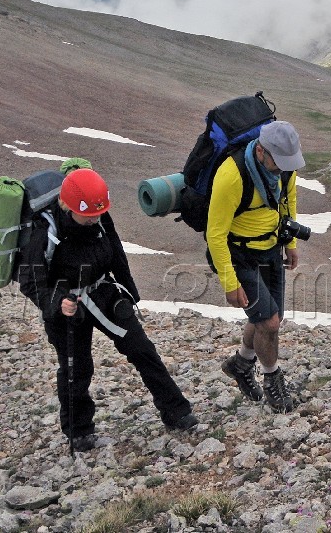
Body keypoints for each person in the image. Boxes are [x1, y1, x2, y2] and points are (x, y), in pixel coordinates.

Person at [19, 167, 197, 451]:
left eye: (98, 214)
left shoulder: (100, 217)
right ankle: (79, 432)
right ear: (70, 206)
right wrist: (57, 302)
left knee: (142, 348)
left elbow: (116, 252)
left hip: (103, 292)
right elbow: (30, 282)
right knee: (77, 368)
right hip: (68, 307)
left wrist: (130, 294)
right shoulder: (44, 233)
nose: (94, 220)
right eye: (88, 215)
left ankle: (177, 412)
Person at [209, 120, 303, 412]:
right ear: (261, 151)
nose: (284, 168)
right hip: (240, 256)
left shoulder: (285, 167)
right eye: (279, 162)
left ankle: (240, 364)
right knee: (269, 322)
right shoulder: (231, 176)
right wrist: (229, 282)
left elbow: (288, 201)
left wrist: (290, 243)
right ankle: (272, 380)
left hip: (271, 248)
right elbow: (215, 233)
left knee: (268, 318)